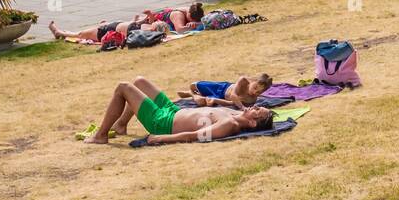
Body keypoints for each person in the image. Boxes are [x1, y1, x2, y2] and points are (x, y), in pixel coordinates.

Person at [84, 77, 274, 144]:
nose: (256, 106)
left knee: (123, 87)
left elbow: (195, 136)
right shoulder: (237, 113)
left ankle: (101, 135)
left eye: (258, 111)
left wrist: (160, 138)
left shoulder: (230, 124)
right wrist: (202, 99)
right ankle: (121, 125)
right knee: (139, 81)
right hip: (172, 110)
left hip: (162, 122)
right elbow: (230, 102)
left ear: (252, 123)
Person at [48, 13, 162, 43]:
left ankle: (59, 33)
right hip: (113, 25)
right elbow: (149, 19)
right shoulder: (147, 26)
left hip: (106, 31)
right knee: (83, 33)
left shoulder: (146, 32)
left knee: (80, 34)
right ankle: (64, 32)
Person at [179, 74, 273, 107]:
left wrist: (215, 101)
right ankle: (193, 92)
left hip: (222, 98)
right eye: (255, 87)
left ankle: (190, 94)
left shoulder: (252, 99)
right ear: (253, 81)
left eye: (259, 92)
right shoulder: (243, 81)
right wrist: (242, 107)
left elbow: (231, 103)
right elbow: (233, 95)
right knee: (193, 85)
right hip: (222, 87)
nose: (254, 92)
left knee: (203, 102)